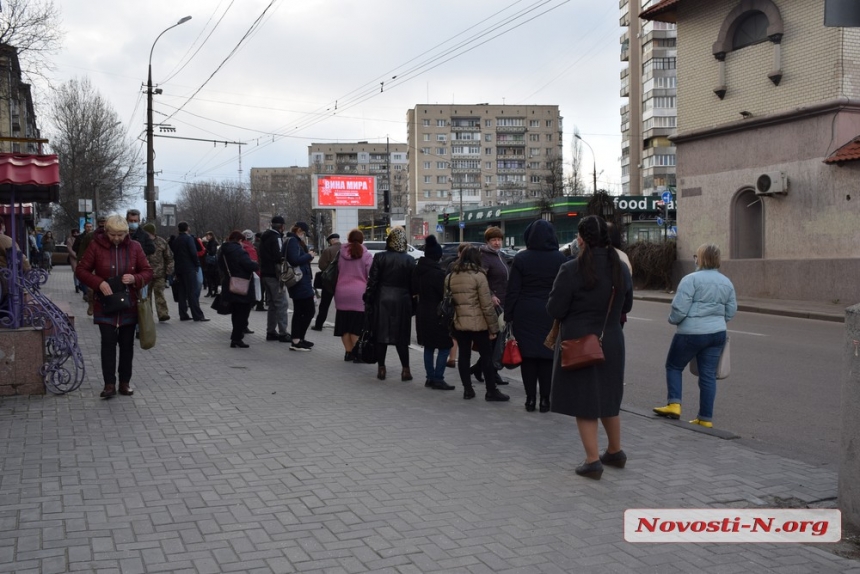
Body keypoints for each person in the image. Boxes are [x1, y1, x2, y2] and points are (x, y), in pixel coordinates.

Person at [546, 215, 633, 480]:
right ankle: (615, 451)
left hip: (580, 343)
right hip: (612, 340)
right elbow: (626, 307)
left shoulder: (572, 269)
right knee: (608, 396)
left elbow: (555, 308)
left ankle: (593, 460)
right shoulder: (621, 268)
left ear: (581, 239)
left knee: (585, 401)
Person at [653, 243, 737, 428]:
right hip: (717, 334)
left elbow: (679, 308)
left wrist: (673, 319)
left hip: (691, 333)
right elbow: (731, 310)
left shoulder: (691, 279)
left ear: (700, 258)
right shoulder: (726, 282)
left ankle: (674, 404)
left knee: (674, 366)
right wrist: (717, 320)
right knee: (707, 375)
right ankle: (705, 418)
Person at [75, 214, 153, 398]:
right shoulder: (96, 245)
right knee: (108, 344)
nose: (116, 238)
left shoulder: (135, 247)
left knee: (127, 346)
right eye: (113, 234)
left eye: (120, 234)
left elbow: (148, 271)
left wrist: (135, 278)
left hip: (129, 304)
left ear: (127, 233)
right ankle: (109, 384)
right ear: (106, 232)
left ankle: (124, 383)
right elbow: (81, 270)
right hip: (105, 304)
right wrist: (98, 283)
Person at [504, 219, 567, 412]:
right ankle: (545, 400)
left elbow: (513, 290)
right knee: (548, 356)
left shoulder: (522, 258)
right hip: (551, 313)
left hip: (526, 311)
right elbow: (565, 290)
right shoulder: (560, 259)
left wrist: (508, 315)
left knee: (529, 357)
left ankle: (530, 399)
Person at [448, 246, 506, 401]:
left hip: (459, 322)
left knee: (464, 355)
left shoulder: (451, 276)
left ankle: (467, 390)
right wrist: (493, 328)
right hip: (479, 323)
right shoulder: (479, 276)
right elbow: (487, 305)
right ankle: (491, 390)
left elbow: (448, 302)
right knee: (486, 356)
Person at [364, 227, 415, 381]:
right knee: (402, 337)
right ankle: (406, 370)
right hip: (402, 300)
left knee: (381, 335)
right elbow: (414, 285)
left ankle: (381, 368)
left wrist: (369, 298)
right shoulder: (410, 260)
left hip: (382, 299)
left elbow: (372, 281)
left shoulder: (379, 257)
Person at [412, 235, 455, 390]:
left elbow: (414, 289)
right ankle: (438, 378)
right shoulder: (438, 274)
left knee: (429, 346)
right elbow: (444, 294)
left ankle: (430, 377)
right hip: (437, 313)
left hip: (422, 311)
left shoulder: (418, 270)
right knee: (444, 346)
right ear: (438, 256)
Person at [470, 226, 511, 386]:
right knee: (496, 340)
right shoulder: (485, 257)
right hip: (493, 304)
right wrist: (491, 295)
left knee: (499, 340)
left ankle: (479, 368)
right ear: (487, 241)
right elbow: (482, 279)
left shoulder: (499, 255)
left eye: (499, 239)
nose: (497, 242)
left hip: (503, 302)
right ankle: (491, 371)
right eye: (493, 240)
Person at [333, 229, 372, 361]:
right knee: (356, 326)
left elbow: (337, 270)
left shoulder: (341, 252)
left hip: (341, 292)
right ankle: (356, 354)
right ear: (361, 240)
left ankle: (348, 352)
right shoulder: (366, 255)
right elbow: (370, 274)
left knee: (344, 326)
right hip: (358, 294)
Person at [219, 230, 259, 348]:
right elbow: (249, 265)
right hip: (242, 285)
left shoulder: (223, 250)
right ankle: (236, 338)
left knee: (235, 312)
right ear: (240, 240)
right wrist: (255, 264)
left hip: (229, 283)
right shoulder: (240, 251)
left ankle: (235, 337)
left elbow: (220, 265)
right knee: (242, 313)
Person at [284, 221, 316, 351]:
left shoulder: (292, 241)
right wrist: (308, 255)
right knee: (308, 311)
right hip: (299, 281)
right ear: (300, 231)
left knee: (301, 311)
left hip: (301, 281)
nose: (304, 235)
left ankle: (299, 339)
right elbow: (294, 260)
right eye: (304, 233)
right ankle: (296, 340)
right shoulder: (292, 241)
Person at [259, 216, 290, 341]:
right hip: (275, 274)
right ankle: (283, 332)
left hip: (265, 273)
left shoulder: (264, 237)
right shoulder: (276, 237)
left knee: (272, 304)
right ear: (281, 226)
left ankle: (271, 331)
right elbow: (279, 255)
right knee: (282, 304)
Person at [170, 221, 209, 322]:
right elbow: (193, 253)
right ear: (187, 228)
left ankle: (183, 314)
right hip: (189, 268)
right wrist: (196, 265)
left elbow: (174, 253)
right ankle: (198, 315)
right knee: (192, 291)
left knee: (182, 292)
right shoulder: (189, 239)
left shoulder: (176, 240)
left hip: (179, 268)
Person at [142, 223, 174, 322]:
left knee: (159, 293)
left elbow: (169, 257)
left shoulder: (161, 242)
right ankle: (148, 314)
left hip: (159, 274)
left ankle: (163, 314)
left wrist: (169, 271)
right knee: (146, 296)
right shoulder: (141, 242)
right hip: (145, 274)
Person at [76, 216, 106, 316]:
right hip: (93, 265)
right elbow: (82, 250)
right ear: (97, 223)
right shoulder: (90, 236)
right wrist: (81, 263)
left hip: (107, 264)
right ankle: (91, 304)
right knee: (91, 289)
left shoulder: (110, 235)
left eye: (104, 222)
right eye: (101, 222)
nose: (102, 224)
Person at [311, 233, 341, 331]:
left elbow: (321, 266)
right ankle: (341, 326)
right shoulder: (346, 249)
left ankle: (319, 325)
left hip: (329, 282)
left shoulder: (328, 250)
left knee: (324, 305)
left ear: (331, 241)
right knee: (342, 305)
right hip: (343, 282)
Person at [240, 229, 260, 333]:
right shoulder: (250, 249)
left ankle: (240, 325)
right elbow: (254, 265)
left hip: (237, 279)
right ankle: (243, 325)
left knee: (240, 305)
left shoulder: (238, 247)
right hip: (248, 279)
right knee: (248, 302)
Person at [203, 231, 220, 297]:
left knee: (210, 277)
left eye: (208, 235)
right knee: (213, 277)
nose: (207, 237)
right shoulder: (213, 243)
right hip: (214, 262)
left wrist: (206, 250)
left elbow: (212, 252)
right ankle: (214, 291)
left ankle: (211, 291)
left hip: (211, 262)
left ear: (211, 236)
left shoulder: (211, 243)